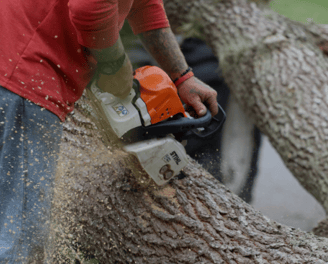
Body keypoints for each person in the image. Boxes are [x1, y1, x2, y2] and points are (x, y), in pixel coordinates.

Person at [0, 0, 218, 262]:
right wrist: (115, 64)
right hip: (23, 76)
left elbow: (145, 5)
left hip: (13, 65)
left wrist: (182, 76)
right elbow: (90, 7)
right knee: (19, 236)